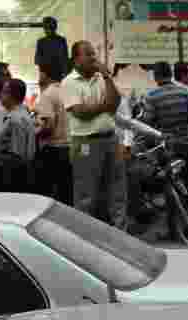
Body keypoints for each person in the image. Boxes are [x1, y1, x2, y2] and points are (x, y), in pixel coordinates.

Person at [62, 41, 125, 226]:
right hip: (85, 143)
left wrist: (106, 76)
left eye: (94, 54)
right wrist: (104, 106)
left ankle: (120, 232)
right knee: (86, 194)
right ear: (76, 59)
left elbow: (114, 103)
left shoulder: (101, 79)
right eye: (88, 54)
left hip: (111, 140)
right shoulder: (69, 82)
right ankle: (85, 234)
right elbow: (80, 112)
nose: (93, 58)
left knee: (117, 190)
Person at [143, 61, 188, 187]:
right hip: (186, 143)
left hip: (167, 146)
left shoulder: (151, 96)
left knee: (170, 184)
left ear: (156, 76)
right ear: (171, 74)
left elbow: (147, 122)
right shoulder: (186, 92)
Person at [0, 78, 36, 192]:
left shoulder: (15, 119)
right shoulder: (20, 114)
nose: (0, 95)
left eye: (4, 92)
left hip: (10, 174)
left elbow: (17, 153)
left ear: (12, 95)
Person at [35, 61, 72, 204]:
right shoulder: (66, 91)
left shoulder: (48, 94)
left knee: (48, 195)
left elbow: (49, 125)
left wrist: (34, 134)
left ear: (45, 74)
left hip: (53, 150)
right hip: (69, 148)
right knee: (66, 193)